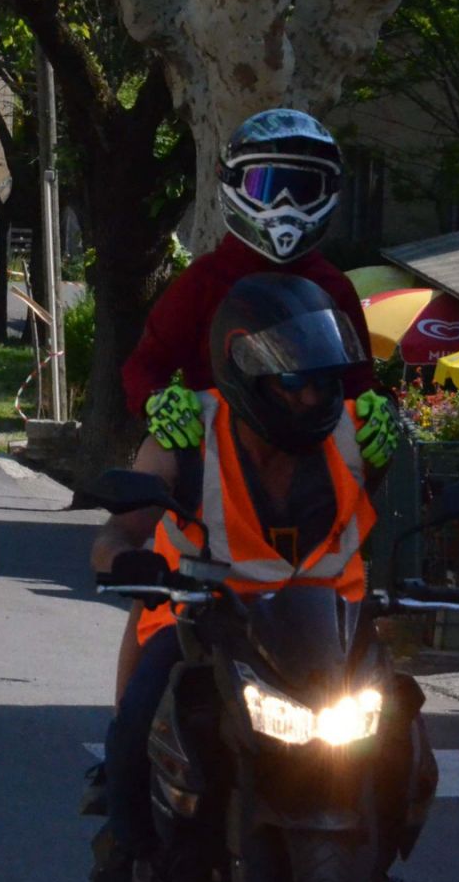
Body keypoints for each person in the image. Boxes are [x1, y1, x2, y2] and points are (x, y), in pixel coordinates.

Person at [89, 274, 385, 882]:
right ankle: (126, 848)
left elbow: (392, 512)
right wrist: (122, 560)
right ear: (246, 371)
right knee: (136, 720)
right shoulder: (186, 430)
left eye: (324, 380)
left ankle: (378, 854)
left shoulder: (356, 434)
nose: (312, 396)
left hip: (326, 634)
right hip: (204, 627)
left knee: (402, 727)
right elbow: (118, 529)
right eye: (294, 381)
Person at [119, 109, 394, 696]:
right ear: (233, 185)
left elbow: (354, 384)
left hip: (306, 474)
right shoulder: (202, 281)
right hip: (209, 459)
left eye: (303, 188)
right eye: (268, 185)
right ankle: (124, 739)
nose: (285, 204)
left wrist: (375, 413)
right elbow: (143, 366)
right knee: (155, 621)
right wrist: (159, 405)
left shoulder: (334, 287)